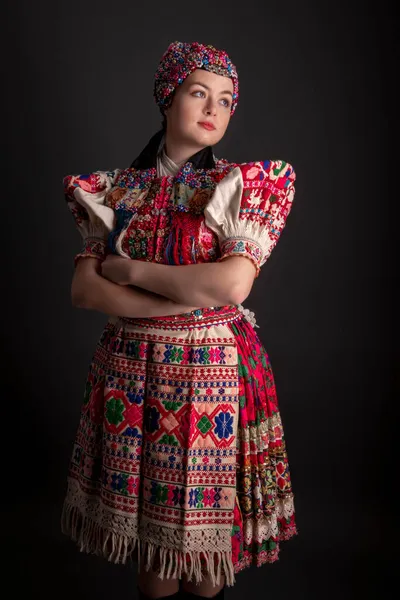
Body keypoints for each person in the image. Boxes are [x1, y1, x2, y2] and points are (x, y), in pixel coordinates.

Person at [61, 41, 297, 600]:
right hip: (133, 374)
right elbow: (85, 292)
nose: (213, 109)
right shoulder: (115, 190)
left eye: (224, 100)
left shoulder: (242, 184)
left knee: (206, 554)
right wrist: (186, 298)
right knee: (158, 555)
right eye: (198, 93)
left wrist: (128, 268)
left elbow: (233, 285)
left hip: (211, 373)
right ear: (168, 98)